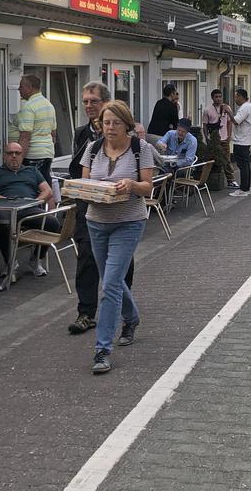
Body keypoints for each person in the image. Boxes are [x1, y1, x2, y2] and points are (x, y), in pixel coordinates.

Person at [80, 100, 154, 374]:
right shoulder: (92, 148)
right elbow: (86, 184)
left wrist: (132, 185)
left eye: (116, 123)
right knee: (112, 280)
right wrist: (83, 189)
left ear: (127, 125)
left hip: (129, 222)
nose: (110, 128)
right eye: (106, 122)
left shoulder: (141, 150)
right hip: (96, 222)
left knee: (109, 284)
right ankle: (132, 318)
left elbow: (147, 187)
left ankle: (102, 350)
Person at [67, 82, 136, 334]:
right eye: (85, 101)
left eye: (93, 101)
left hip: (120, 211)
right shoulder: (81, 133)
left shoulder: (127, 136)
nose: (88, 106)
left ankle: (121, 311)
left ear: (106, 103)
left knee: (120, 264)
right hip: (88, 209)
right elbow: (79, 171)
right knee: (86, 258)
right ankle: (86, 313)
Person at [0, 142, 60, 277]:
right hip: (5, 209)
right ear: (4, 156)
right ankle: (10, 262)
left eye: (17, 153)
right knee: (0, 223)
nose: (14, 156)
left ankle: (36, 259)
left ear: (22, 156)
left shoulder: (31, 171)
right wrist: (2, 199)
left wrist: (35, 202)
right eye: (10, 153)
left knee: (52, 223)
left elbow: (47, 191)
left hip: (28, 209)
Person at [10, 74, 57, 185]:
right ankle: (48, 202)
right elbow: (53, 133)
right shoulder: (48, 105)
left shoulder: (29, 107)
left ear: (30, 88)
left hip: (33, 155)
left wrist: (18, 160)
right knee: (44, 184)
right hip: (46, 154)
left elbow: (25, 136)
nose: (19, 89)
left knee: (32, 187)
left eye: (21, 86)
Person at [202, 89, 237, 188]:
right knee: (210, 160)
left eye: (220, 97)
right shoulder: (207, 110)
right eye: (216, 97)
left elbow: (229, 123)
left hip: (224, 138)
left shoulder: (227, 108)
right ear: (212, 98)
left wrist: (229, 136)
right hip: (213, 139)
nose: (218, 99)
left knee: (226, 159)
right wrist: (206, 138)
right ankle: (206, 180)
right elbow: (204, 125)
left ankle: (231, 180)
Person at [230, 88, 251, 197]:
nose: (235, 99)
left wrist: (229, 112)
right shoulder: (248, 106)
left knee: (243, 165)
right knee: (245, 165)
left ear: (241, 97)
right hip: (244, 139)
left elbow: (236, 121)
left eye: (236, 97)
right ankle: (246, 187)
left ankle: (244, 189)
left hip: (242, 140)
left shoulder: (244, 107)